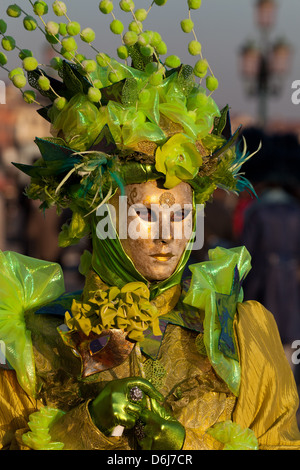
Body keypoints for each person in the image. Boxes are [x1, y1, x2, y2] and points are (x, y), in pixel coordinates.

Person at [0, 0, 300, 451]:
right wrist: (82, 428)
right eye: (144, 215)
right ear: (106, 217)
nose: (167, 236)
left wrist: (185, 447)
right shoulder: (36, 341)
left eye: (180, 216)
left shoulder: (237, 336)